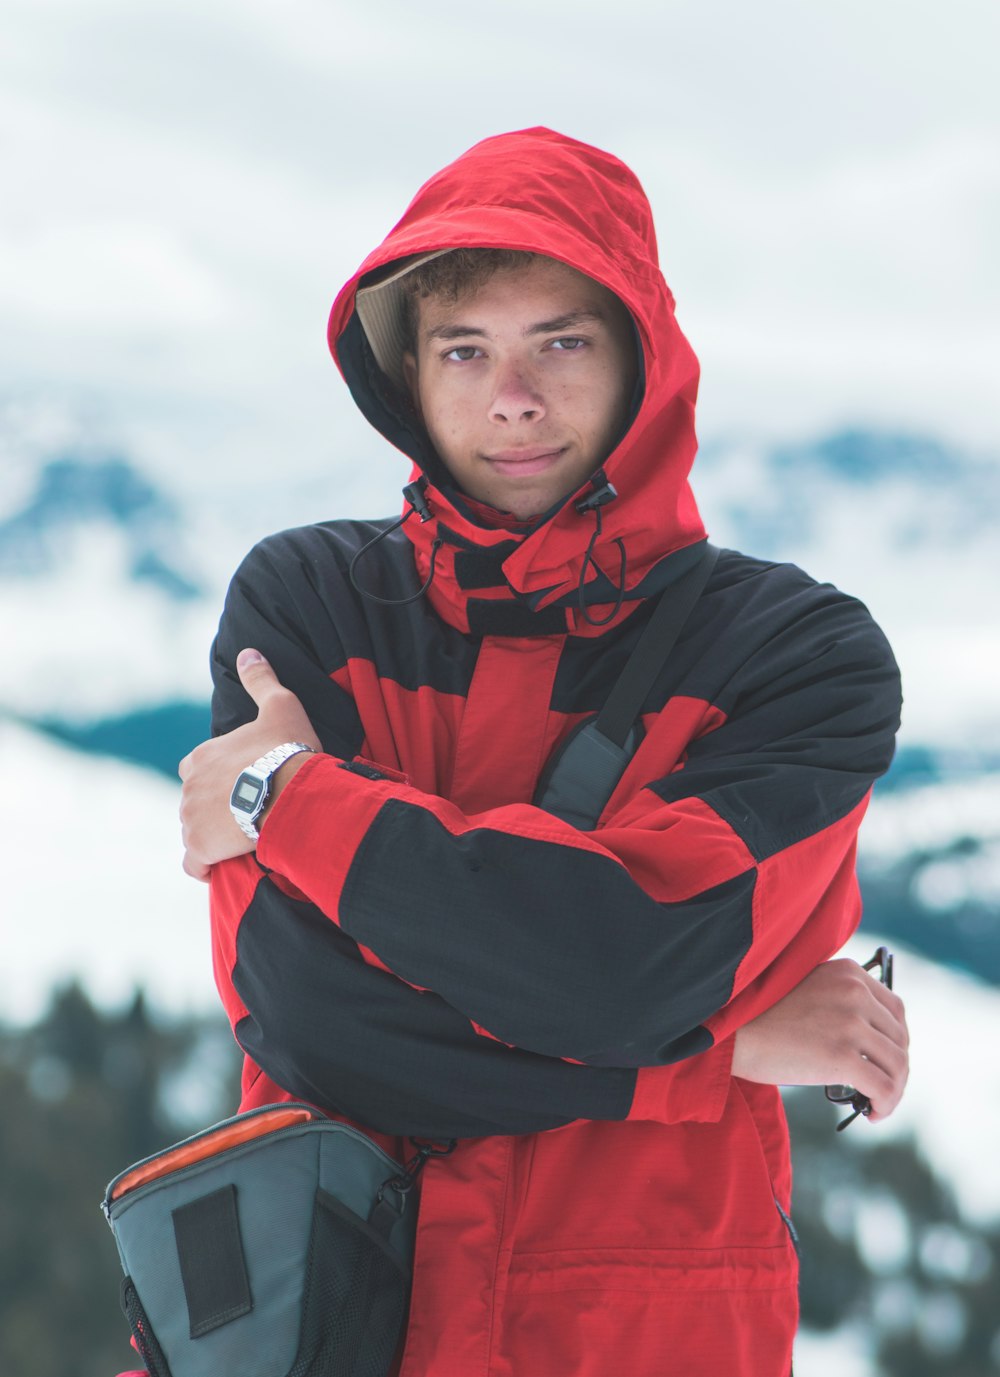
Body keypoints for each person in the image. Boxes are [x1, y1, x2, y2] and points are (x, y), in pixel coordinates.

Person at [175, 127, 908, 1376]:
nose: (511, 397)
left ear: (644, 362)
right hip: (332, 1330)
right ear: (408, 373)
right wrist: (716, 1051)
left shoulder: (799, 659)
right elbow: (314, 1021)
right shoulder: (306, 610)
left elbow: (616, 972)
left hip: (642, 1339)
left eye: (560, 341)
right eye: (465, 350)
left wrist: (285, 797)